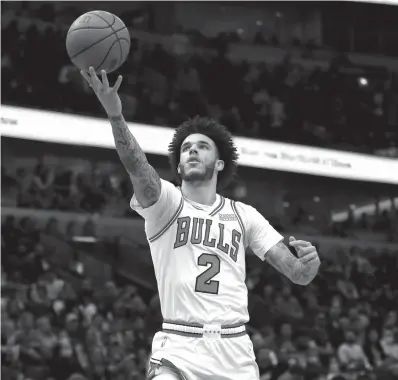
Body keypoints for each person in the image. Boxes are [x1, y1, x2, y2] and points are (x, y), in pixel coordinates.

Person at [81, 67, 321, 380]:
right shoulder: (166, 203)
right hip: (179, 344)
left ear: (220, 163)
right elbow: (137, 167)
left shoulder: (244, 215)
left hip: (234, 350)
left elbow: (298, 274)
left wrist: (310, 265)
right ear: (179, 166)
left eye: (203, 146)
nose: (192, 149)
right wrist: (116, 116)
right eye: (186, 148)